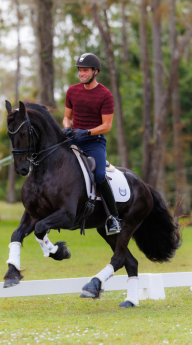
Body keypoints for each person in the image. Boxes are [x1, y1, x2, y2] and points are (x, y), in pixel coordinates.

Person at [63, 53, 121, 235]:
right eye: (80, 70)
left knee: (100, 175)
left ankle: (113, 218)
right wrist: (67, 128)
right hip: (73, 139)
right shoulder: (72, 91)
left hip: (94, 142)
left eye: (85, 70)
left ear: (95, 72)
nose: (81, 74)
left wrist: (86, 132)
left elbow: (107, 126)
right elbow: (66, 118)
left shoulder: (105, 95)